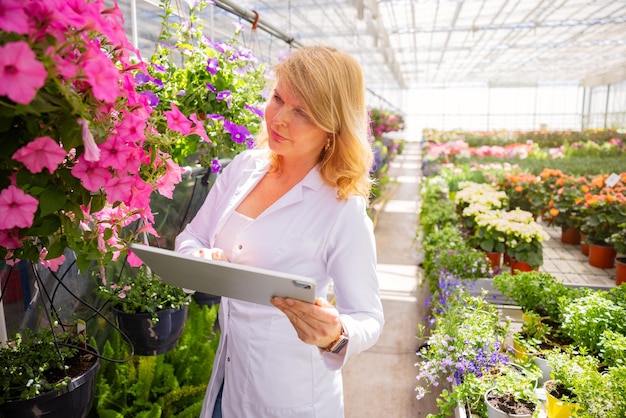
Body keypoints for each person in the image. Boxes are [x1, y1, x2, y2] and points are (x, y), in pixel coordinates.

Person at [175, 45, 384, 418]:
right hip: (228, 380)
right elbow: (193, 236)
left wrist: (336, 335)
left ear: (332, 126)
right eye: (277, 98)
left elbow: (368, 317)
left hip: (290, 400)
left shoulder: (340, 208)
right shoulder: (244, 168)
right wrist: (198, 259)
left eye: (301, 111)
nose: (279, 117)